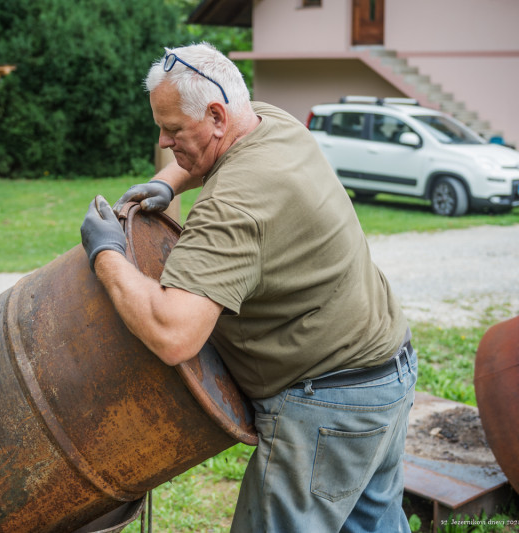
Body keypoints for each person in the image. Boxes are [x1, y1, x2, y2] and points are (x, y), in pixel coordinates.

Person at [80, 42, 417, 533]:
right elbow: (212, 151)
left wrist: (106, 253)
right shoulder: (272, 122)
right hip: (386, 373)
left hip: (329, 406)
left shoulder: (233, 205)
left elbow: (174, 333)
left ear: (216, 115)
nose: (164, 140)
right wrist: (169, 182)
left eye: (173, 129)